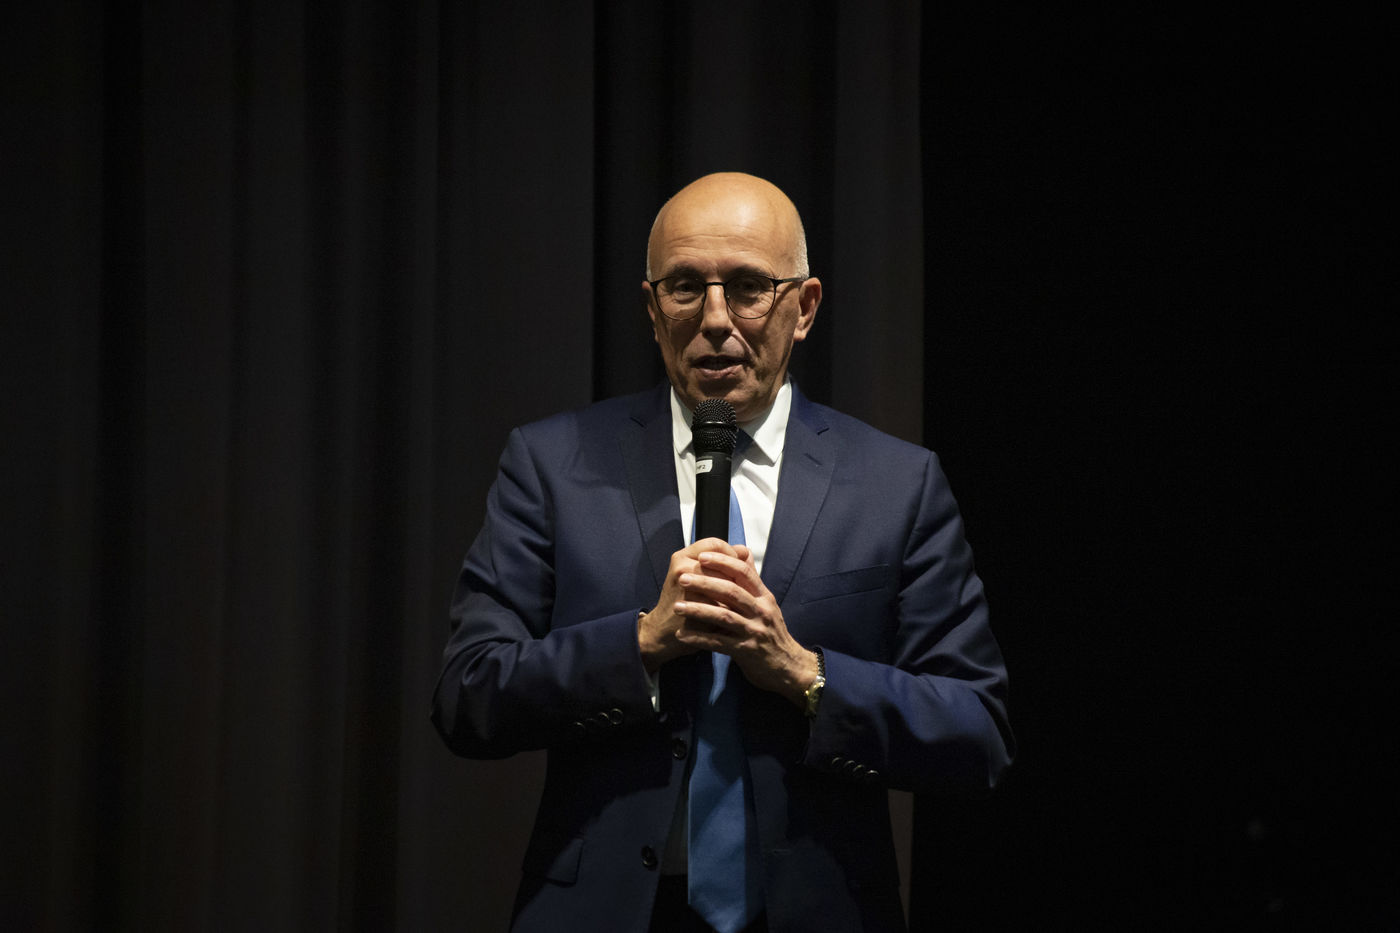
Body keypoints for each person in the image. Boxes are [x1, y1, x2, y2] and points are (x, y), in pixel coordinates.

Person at [432, 172, 1013, 933]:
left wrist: (804, 674)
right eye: (685, 287)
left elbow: (976, 733)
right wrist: (641, 645)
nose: (714, 319)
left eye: (748, 288)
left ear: (804, 307)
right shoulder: (553, 465)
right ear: (652, 310)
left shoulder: (897, 484)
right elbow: (467, 696)